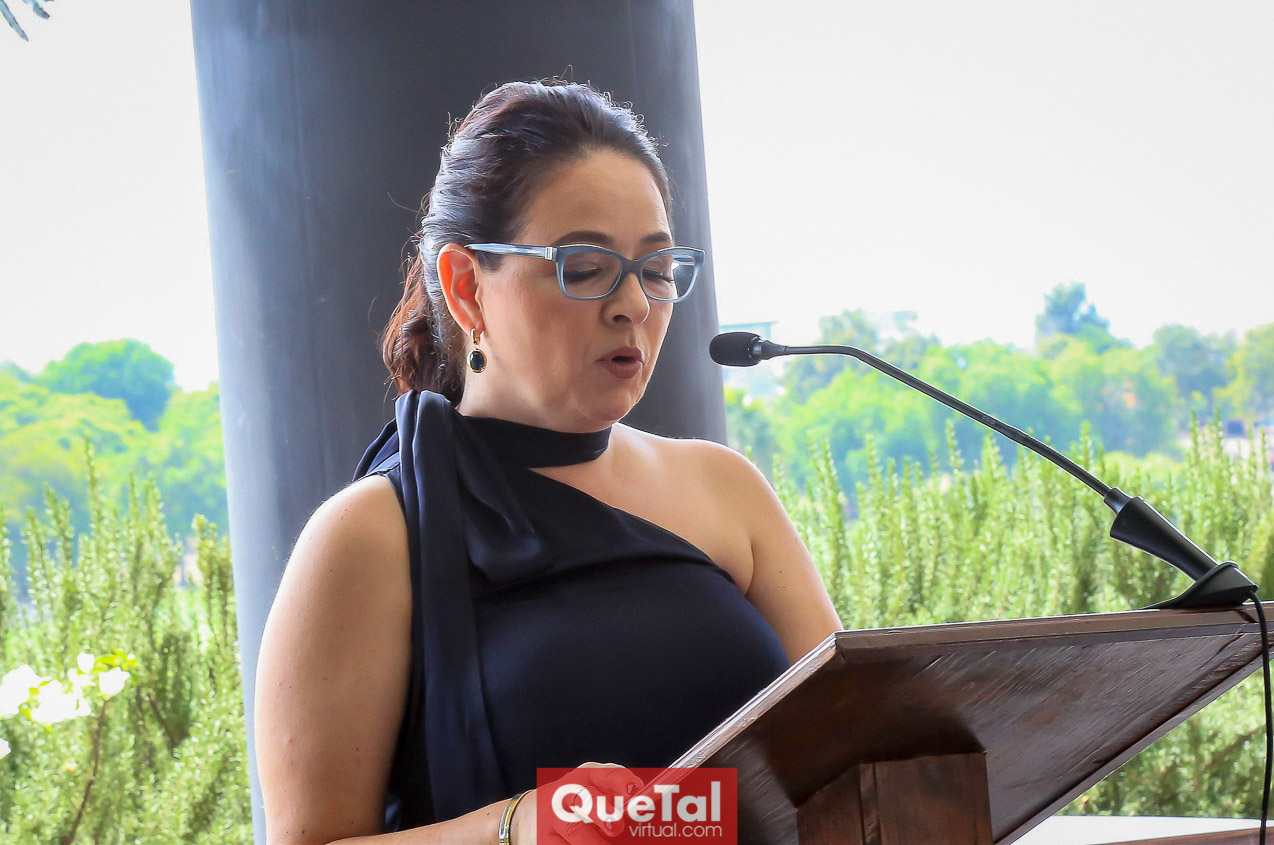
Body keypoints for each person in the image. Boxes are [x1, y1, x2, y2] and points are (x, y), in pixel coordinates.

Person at [254, 78, 843, 845]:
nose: (634, 304)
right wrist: (514, 827)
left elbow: (856, 751)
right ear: (467, 287)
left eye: (656, 268)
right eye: (586, 266)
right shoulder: (368, 534)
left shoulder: (726, 487)